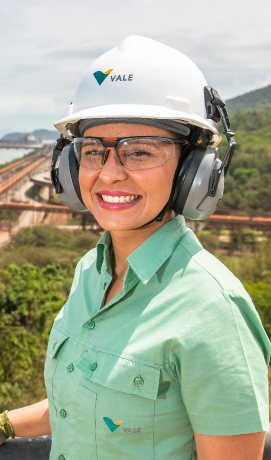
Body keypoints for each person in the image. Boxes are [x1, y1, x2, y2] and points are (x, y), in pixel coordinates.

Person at [0, 35, 270, 460]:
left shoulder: (214, 311)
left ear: (193, 171)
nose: (108, 174)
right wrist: (3, 424)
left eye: (139, 152)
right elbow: (85, 402)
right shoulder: (90, 271)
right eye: (93, 151)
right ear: (71, 169)